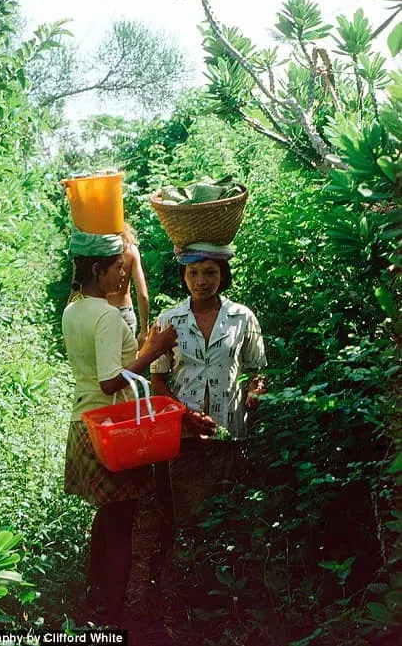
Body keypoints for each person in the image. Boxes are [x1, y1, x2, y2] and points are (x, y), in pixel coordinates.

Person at [62, 226, 176, 626]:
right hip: (109, 431)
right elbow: (111, 381)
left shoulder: (73, 309)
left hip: (83, 423)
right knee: (121, 527)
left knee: (107, 520)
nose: (122, 274)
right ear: (97, 269)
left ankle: (95, 604)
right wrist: (154, 351)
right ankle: (110, 617)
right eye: (115, 267)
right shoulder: (108, 317)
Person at [149, 242, 267, 586]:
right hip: (182, 437)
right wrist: (184, 415)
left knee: (227, 513)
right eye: (193, 273)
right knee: (186, 516)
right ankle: (188, 585)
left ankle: (227, 586)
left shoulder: (242, 317)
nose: (201, 281)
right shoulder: (169, 320)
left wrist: (255, 392)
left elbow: (257, 370)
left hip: (228, 430)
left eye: (210, 272)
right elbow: (158, 381)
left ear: (223, 275)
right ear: (183, 276)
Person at [107, 222, 150, 347]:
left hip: (99, 312)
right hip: (124, 313)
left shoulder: (94, 250)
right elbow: (142, 294)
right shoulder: (130, 250)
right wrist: (144, 329)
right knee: (127, 363)